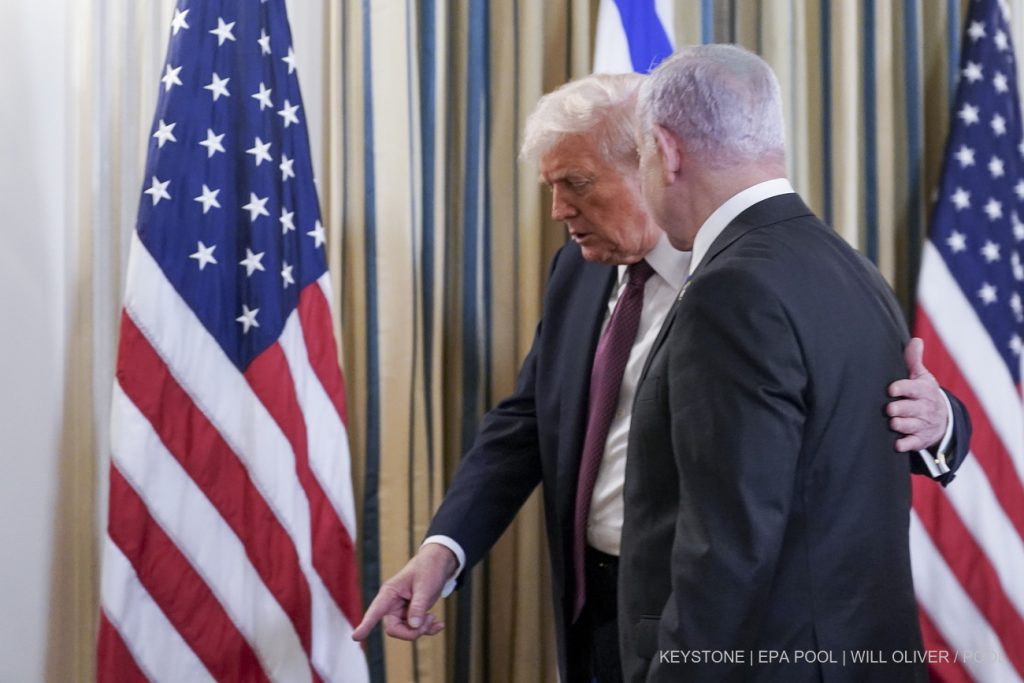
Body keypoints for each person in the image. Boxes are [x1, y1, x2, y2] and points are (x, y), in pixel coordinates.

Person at [352, 73, 971, 683]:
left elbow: (759, 506)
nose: (559, 210)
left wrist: (941, 418)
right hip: (599, 610)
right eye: (551, 187)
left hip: (708, 622)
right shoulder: (578, 269)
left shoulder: (749, 281)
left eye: (577, 183)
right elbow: (527, 419)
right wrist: (444, 550)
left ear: (653, 159)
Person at [621, 45, 941, 682]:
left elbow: (727, 548)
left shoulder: (728, 290)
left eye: (639, 156)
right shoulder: (853, 268)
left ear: (666, 149)